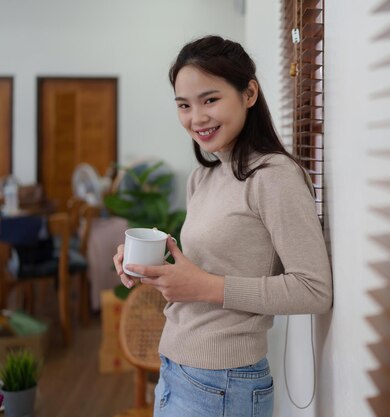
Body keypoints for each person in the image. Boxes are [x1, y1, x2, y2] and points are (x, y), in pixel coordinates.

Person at [112, 35, 332, 417]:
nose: (196, 118)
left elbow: (313, 290)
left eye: (210, 100)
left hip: (224, 385)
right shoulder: (202, 177)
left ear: (249, 93)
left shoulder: (274, 176)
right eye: (184, 105)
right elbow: (211, 265)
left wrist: (205, 287)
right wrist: (152, 263)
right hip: (175, 370)